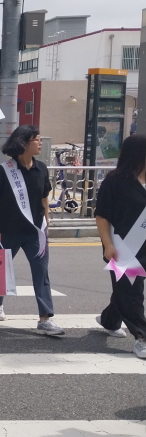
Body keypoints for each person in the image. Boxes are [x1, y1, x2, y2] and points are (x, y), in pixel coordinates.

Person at [0, 124, 64, 335]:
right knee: (0, 271)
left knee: (41, 273)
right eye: (36, 139)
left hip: (35, 233)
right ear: (23, 143)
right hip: (7, 231)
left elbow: (44, 198)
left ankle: (45, 317)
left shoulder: (42, 169)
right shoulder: (6, 170)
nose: (40, 143)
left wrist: (46, 223)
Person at [95, 134, 146, 358]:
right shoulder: (115, 182)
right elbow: (102, 216)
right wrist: (107, 244)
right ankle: (142, 337)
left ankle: (109, 319)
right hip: (123, 247)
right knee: (132, 293)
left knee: (123, 292)